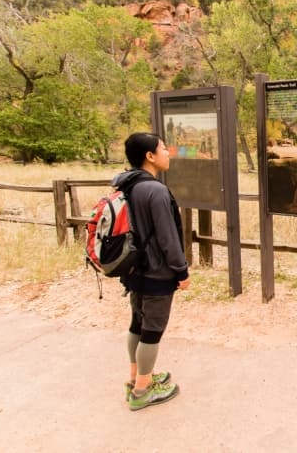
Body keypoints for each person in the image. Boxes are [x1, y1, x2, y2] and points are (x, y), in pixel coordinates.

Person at [112, 132, 190, 411]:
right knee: (152, 331)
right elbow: (168, 238)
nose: (168, 153)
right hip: (157, 272)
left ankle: (135, 378)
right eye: (163, 149)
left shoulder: (126, 185)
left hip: (134, 269)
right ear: (150, 156)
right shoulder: (155, 190)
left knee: (137, 323)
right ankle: (143, 391)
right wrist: (181, 271)